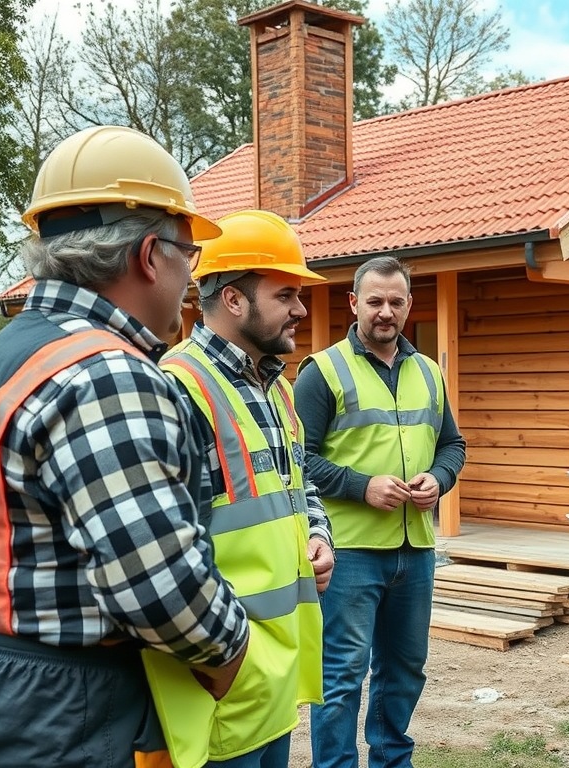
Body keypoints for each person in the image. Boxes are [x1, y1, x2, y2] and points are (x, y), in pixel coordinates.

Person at [0, 125, 249, 768]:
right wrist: (230, 653)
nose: (192, 278)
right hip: (73, 707)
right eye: (189, 254)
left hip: (11, 681)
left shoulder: (9, 353)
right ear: (151, 255)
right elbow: (157, 587)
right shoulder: (108, 373)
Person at [145, 210, 334, 768]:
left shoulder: (276, 387)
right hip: (218, 693)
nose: (301, 308)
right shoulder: (178, 388)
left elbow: (300, 486)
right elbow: (167, 550)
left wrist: (318, 535)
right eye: (286, 294)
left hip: (272, 686)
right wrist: (229, 664)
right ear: (233, 300)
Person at [294, 255, 467, 768]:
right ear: (354, 304)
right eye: (375, 301)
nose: (385, 312)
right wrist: (360, 486)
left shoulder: (430, 373)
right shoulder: (322, 371)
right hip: (349, 551)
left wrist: (438, 479)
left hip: (415, 552)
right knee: (343, 672)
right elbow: (296, 458)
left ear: (410, 305)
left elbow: (453, 446)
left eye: (396, 302)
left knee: (406, 668)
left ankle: (392, 760)